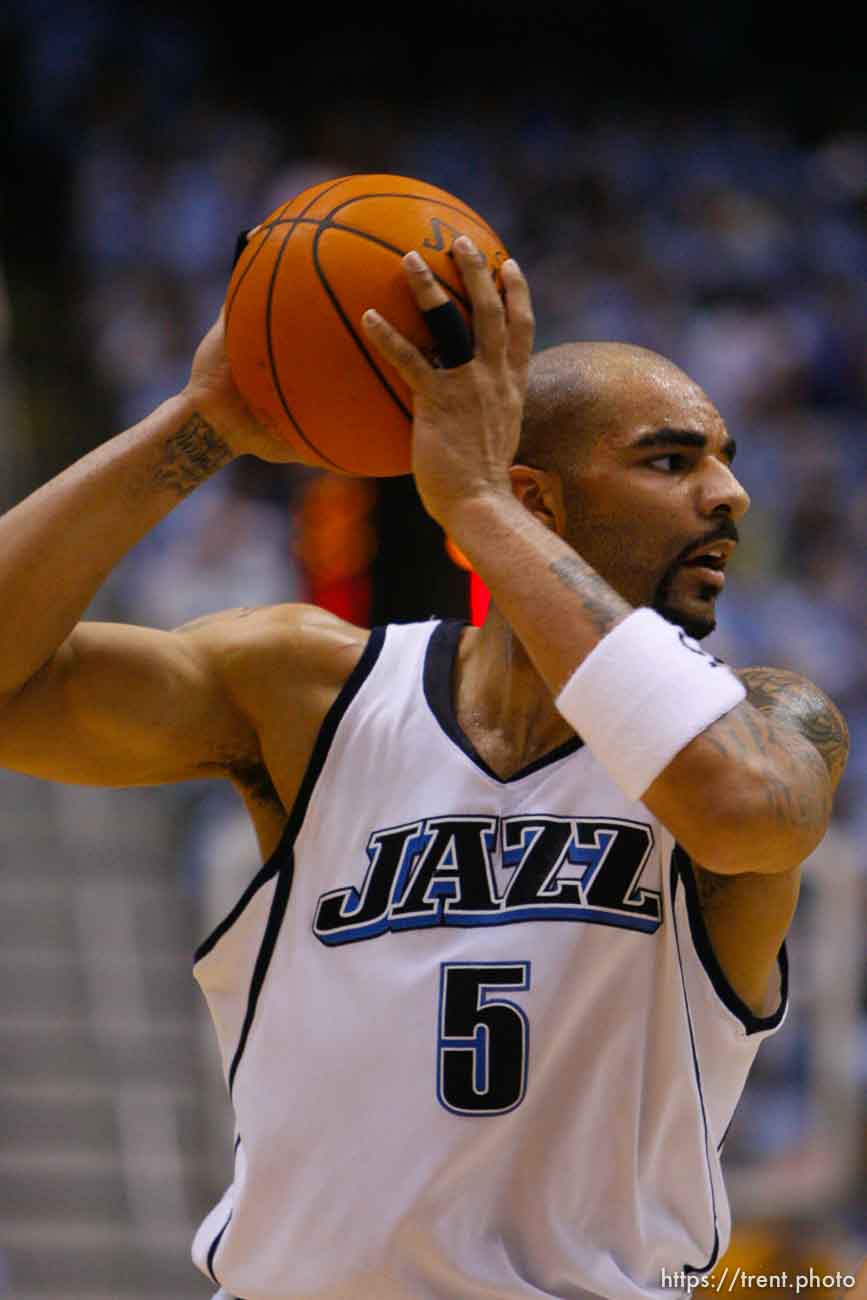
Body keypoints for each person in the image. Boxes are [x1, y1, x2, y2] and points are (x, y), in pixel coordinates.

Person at [0, 237, 849, 1300]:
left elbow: (734, 811)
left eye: (725, 460)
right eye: (672, 460)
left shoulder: (767, 720)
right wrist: (200, 426)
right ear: (543, 498)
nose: (731, 495)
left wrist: (479, 508)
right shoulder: (310, 690)